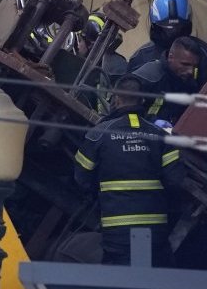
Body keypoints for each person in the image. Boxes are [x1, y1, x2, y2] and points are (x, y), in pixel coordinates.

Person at [74, 75, 180, 266]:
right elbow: (175, 180)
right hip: (154, 232)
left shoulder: (98, 135)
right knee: (153, 282)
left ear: (116, 99)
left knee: (122, 284)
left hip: (117, 232)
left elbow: (81, 178)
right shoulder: (161, 137)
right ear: (142, 100)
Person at [126, 0, 207, 80]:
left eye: (178, 28)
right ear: (156, 27)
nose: (173, 34)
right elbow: (128, 93)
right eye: (167, 29)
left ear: (186, 26)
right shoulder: (141, 58)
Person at [132, 37, 206, 126]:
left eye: (194, 66)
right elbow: (123, 113)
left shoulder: (189, 83)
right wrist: (151, 122)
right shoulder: (147, 77)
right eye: (185, 64)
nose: (190, 71)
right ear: (171, 57)